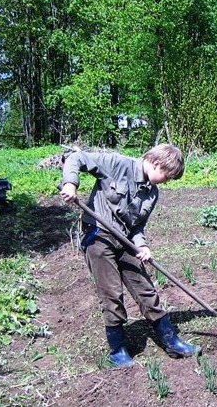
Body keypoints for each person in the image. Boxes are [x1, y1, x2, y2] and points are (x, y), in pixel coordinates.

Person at [59, 144, 200, 368]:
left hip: (125, 241)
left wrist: (142, 246)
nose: (166, 181)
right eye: (167, 176)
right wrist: (70, 183)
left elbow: (137, 227)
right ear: (156, 163)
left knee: (145, 289)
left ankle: (171, 341)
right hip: (98, 236)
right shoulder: (117, 163)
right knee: (112, 293)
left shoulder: (152, 193)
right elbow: (76, 157)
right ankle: (117, 351)